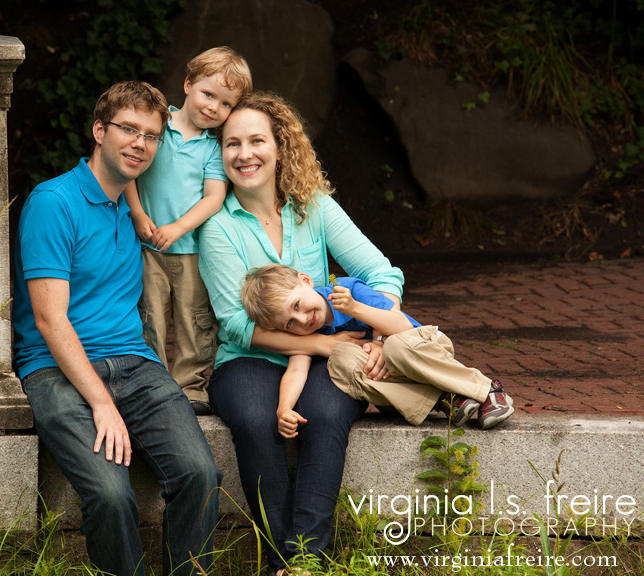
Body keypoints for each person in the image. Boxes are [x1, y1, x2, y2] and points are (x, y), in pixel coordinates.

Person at [12, 81, 221, 576]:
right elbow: (49, 319)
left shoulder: (135, 211)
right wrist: (102, 403)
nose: (140, 144)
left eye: (151, 136)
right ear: (99, 131)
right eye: (128, 129)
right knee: (110, 494)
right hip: (54, 369)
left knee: (200, 473)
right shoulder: (53, 202)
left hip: (135, 362)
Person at [198, 91, 404, 572]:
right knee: (255, 419)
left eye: (256, 141)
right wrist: (322, 343)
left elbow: (382, 273)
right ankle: (281, 562)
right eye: (232, 144)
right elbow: (237, 324)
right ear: (220, 154)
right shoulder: (218, 227)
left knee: (328, 414)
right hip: (247, 360)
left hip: (327, 357)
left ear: (279, 146)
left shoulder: (314, 207)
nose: (244, 154)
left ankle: (306, 560)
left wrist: (379, 335)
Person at [125, 47, 253, 415]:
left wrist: (180, 227)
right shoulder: (157, 128)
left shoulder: (214, 148)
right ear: (188, 84)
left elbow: (214, 197)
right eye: (208, 94)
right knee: (149, 316)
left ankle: (191, 385)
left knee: (194, 319)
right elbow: (130, 169)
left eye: (226, 104)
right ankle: (152, 382)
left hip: (192, 251)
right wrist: (137, 213)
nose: (214, 107)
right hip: (148, 246)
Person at [240, 264, 515, 433]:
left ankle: (487, 390)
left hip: (425, 351)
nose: (302, 320)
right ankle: (444, 399)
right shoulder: (310, 334)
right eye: (289, 323)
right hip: (399, 382)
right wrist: (284, 409)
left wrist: (358, 312)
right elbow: (295, 372)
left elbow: (401, 324)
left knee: (393, 347)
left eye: (297, 305)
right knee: (341, 361)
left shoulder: (347, 290)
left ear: (306, 281)